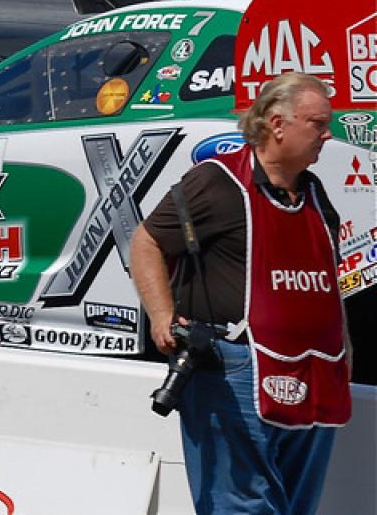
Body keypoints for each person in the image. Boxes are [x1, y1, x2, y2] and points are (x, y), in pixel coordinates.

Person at [130, 72, 352, 515]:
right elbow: (147, 242)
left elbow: (326, 276)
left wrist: (344, 345)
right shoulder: (218, 181)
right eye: (317, 123)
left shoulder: (312, 191)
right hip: (235, 367)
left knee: (295, 506)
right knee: (241, 505)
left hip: (315, 371)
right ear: (277, 124)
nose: (327, 135)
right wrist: (161, 315)